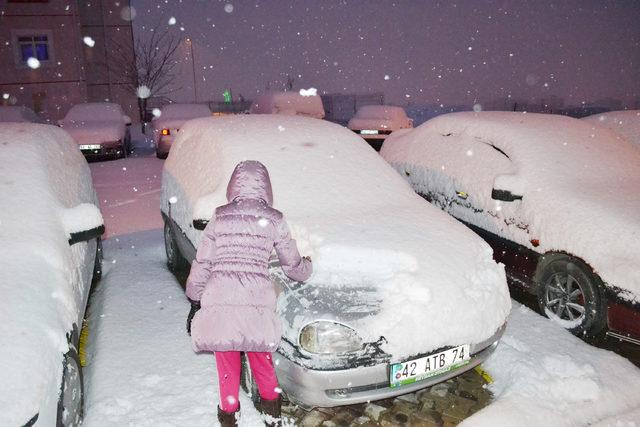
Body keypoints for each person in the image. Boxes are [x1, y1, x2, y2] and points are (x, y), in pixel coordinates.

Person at [185, 160, 312, 427]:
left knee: (227, 365)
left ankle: (229, 419)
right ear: (266, 187)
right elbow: (292, 266)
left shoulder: (219, 216)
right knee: (261, 360)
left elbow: (204, 262)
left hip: (221, 300)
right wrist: (306, 267)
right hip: (255, 300)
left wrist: (194, 296)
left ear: (234, 185)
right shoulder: (274, 219)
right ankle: (272, 417)